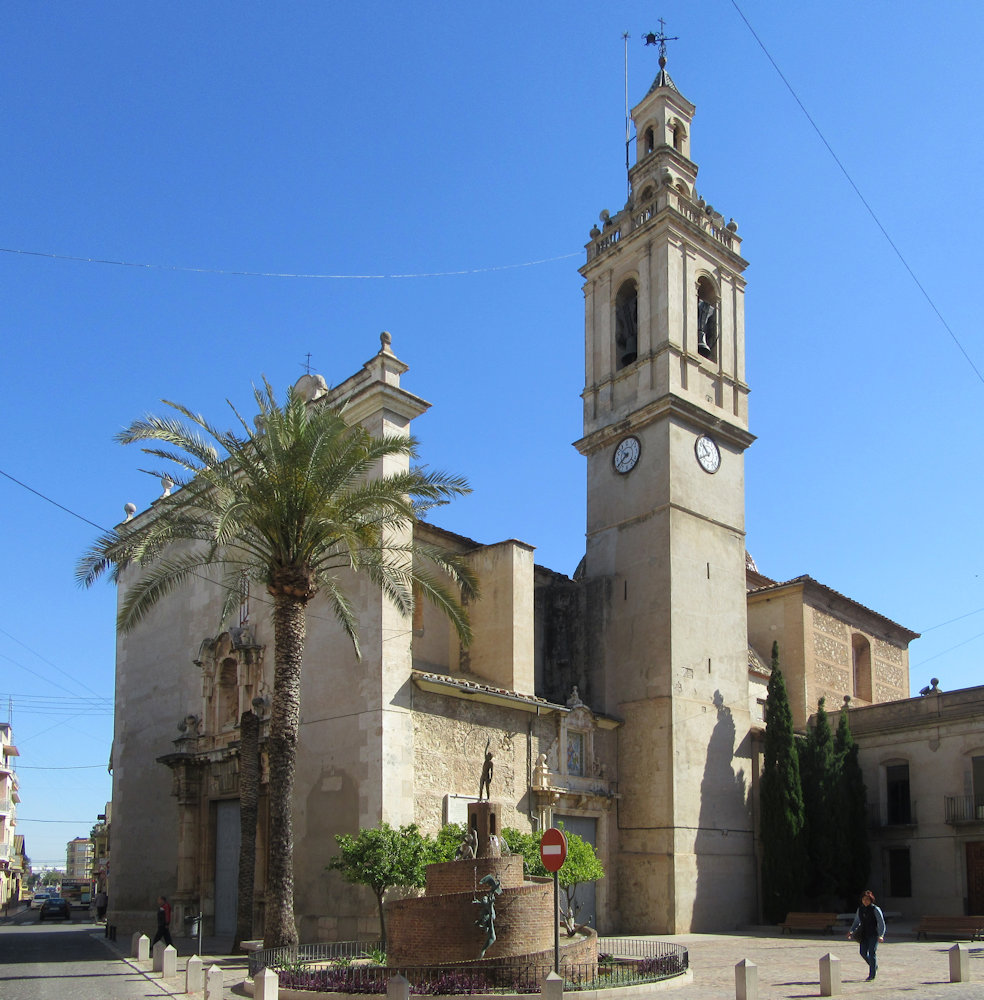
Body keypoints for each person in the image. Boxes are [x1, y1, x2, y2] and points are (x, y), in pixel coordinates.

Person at [848, 889, 885, 981]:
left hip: (873, 934)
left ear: (871, 900)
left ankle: (872, 974)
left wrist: (881, 935)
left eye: (867, 899)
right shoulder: (860, 909)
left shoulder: (875, 909)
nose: (865, 901)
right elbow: (857, 921)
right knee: (863, 952)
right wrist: (851, 931)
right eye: (864, 899)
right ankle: (874, 965)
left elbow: (881, 923)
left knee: (872, 953)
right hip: (864, 934)